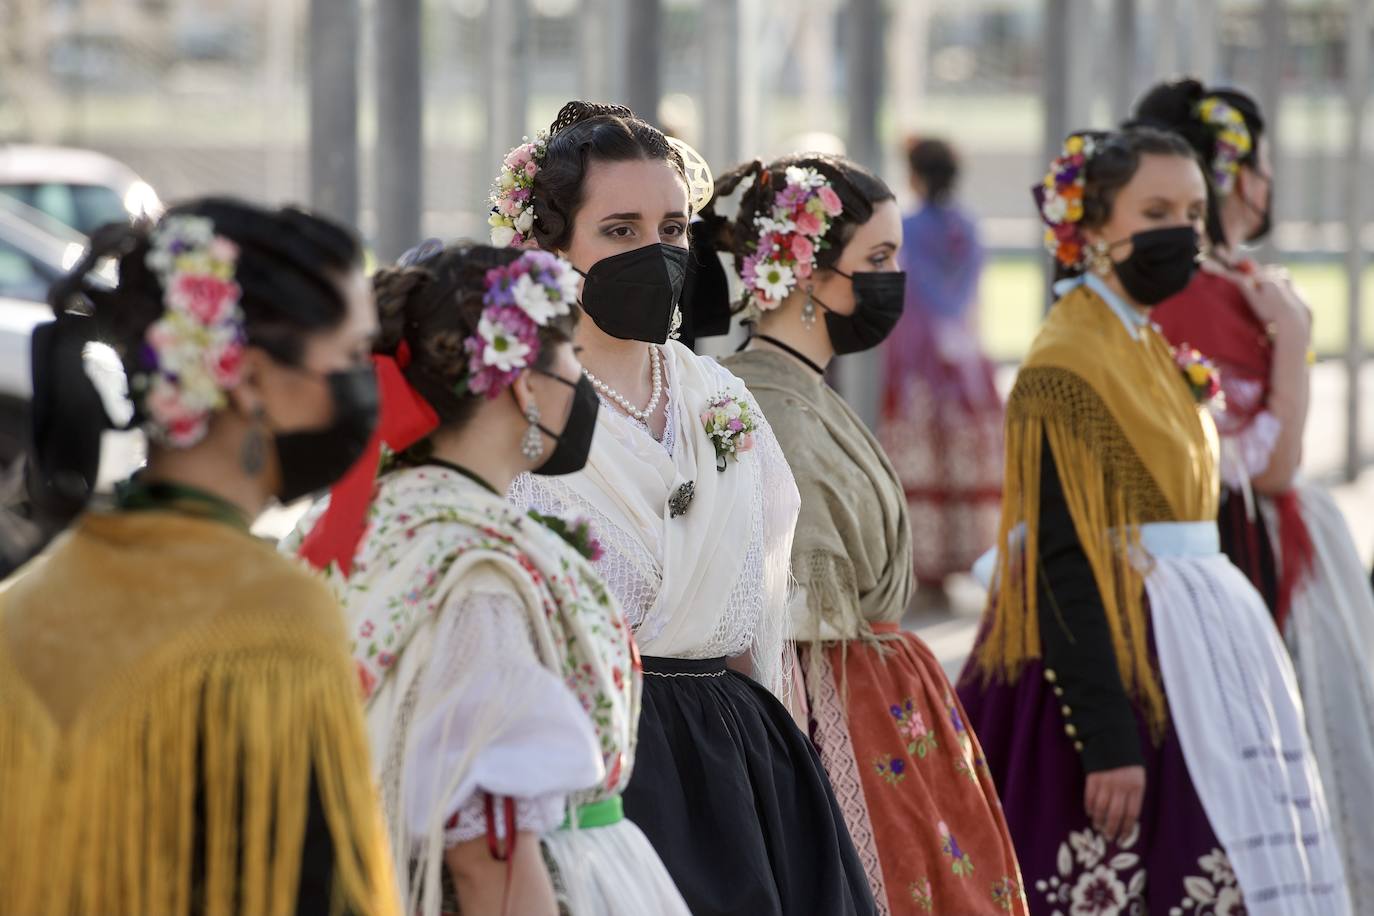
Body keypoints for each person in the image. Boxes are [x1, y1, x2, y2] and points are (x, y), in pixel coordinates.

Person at [957, 128, 1349, 915]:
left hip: (1191, 657)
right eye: (1158, 209)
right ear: (1094, 225)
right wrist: (1108, 741)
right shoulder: (1069, 359)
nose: (1184, 230)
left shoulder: (1140, 337)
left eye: (1195, 212)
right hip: (1123, 668)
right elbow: (1062, 560)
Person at [498, 101, 877, 916]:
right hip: (599, 780)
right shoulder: (515, 413)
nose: (658, 251)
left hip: (738, 765)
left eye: (673, 229)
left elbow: (759, 619)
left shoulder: (718, 396)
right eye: (621, 230)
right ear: (551, 245)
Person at [0, 199, 397, 914]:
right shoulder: (275, 617)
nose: (364, 383)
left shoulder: (23, 604)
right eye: (347, 358)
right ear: (246, 378)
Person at [286, 241, 689, 916]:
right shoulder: (477, 574)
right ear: (527, 384)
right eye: (572, 357)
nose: (581, 382)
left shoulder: (364, 523)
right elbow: (488, 859)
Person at [710, 151, 1026, 914]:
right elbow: (777, 622)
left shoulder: (801, 389)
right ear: (809, 272)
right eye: (877, 258)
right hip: (837, 706)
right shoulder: (768, 404)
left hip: (879, 691)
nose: (894, 279)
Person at [1131, 79, 1374, 904]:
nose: (1267, 186)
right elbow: (1268, 466)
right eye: (1261, 166)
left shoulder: (1226, 283)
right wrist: (1295, 340)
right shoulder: (1208, 293)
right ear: (1237, 173)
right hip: (1244, 542)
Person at [878, 138, 1002, 601]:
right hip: (966, 355)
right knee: (965, 452)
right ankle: (969, 555)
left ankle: (929, 567)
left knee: (921, 452)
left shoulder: (908, 227)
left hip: (916, 356)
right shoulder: (967, 226)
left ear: (915, 174)